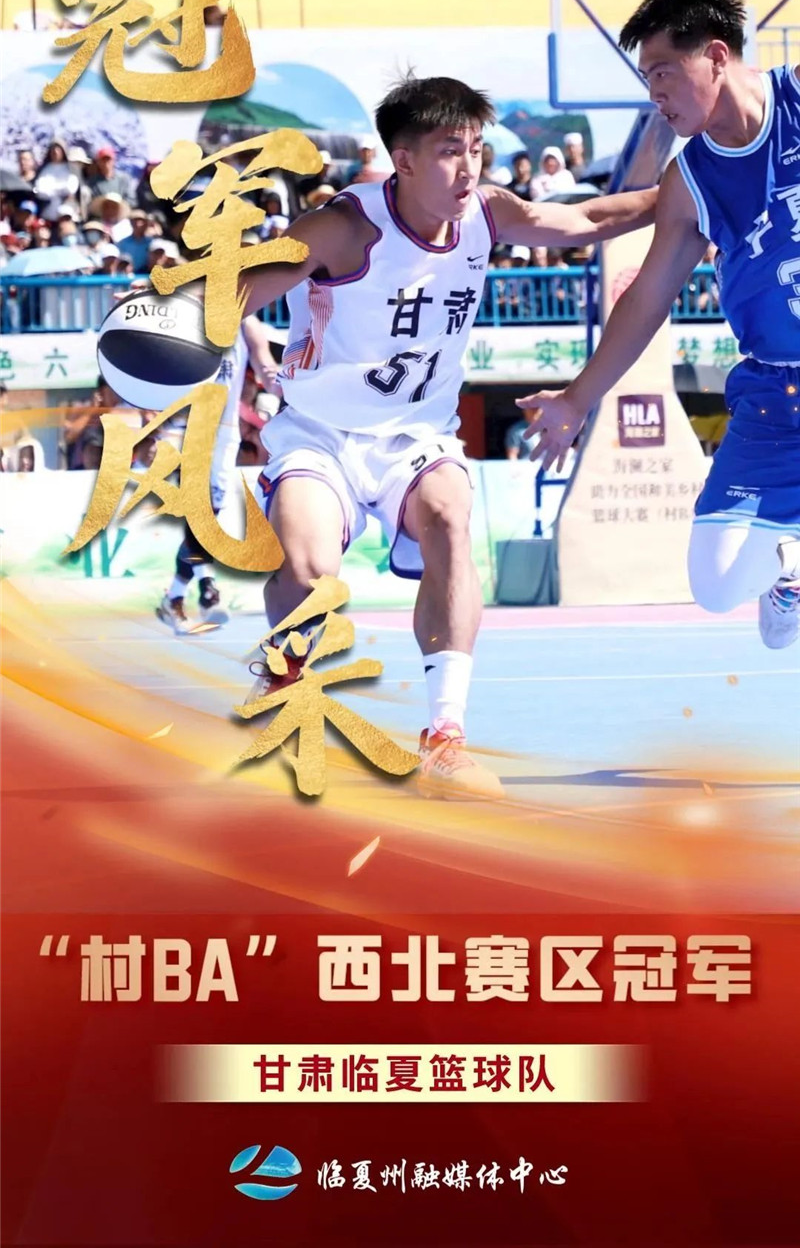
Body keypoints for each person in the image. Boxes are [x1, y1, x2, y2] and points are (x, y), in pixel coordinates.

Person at [239, 74, 656, 797]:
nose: (469, 168)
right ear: (402, 160)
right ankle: (284, 677)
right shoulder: (343, 228)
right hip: (320, 433)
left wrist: (685, 193)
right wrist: (164, 314)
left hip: (416, 437)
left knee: (450, 516)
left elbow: (585, 218)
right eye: (448, 151)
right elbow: (233, 291)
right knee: (309, 573)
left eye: (476, 149)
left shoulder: (488, 213)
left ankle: (444, 737)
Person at [518, 0, 800, 651]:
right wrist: (577, 400)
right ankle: (788, 571)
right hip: (775, 392)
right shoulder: (691, 180)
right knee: (714, 585)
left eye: (663, 74)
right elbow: (645, 300)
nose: (655, 96)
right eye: (647, 79)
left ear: (716, 56)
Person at [157, 314, 280, 633]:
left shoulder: (246, 322)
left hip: (225, 433)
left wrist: (280, 387)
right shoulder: (184, 311)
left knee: (208, 515)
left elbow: (265, 364)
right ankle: (208, 589)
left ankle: (174, 597)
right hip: (186, 425)